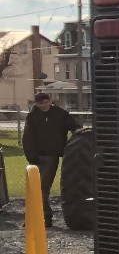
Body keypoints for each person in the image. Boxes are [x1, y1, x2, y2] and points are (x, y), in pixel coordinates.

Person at [22, 92, 80, 227]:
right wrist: (31, 157)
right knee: (35, 189)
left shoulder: (61, 114)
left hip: (51, 157)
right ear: (36, 104)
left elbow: (76, 128)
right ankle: (42, 218)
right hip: (35, 158)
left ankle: (41, 218)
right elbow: (27, 138)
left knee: (42, 188)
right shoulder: (32, 117)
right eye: (40, 103)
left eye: (45, 102)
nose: (43, 105)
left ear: (49, 101)